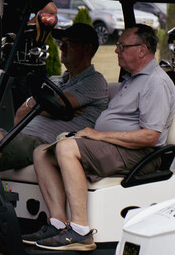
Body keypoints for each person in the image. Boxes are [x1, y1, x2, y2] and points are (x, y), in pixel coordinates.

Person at [24, 25, 175, 250]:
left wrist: (98, 134)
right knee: (42, 152)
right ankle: (57, 223)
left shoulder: (156, 82)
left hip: (141, 155)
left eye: (122, 46)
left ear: (142, 50)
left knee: (66, 148)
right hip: (117, 148)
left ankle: (81, 231)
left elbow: (150, 136)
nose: (116, 51)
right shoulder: (133, 79)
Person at [0, 23, 108, 170]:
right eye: (61, 43)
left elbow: (59, 106)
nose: (61, 48)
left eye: (68, 43)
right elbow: (20, 115)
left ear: (87, 49)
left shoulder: (94, 81)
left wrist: (44, 106)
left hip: (46, 144)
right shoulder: (56, 80)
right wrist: (40, 105)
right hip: (22, 136)